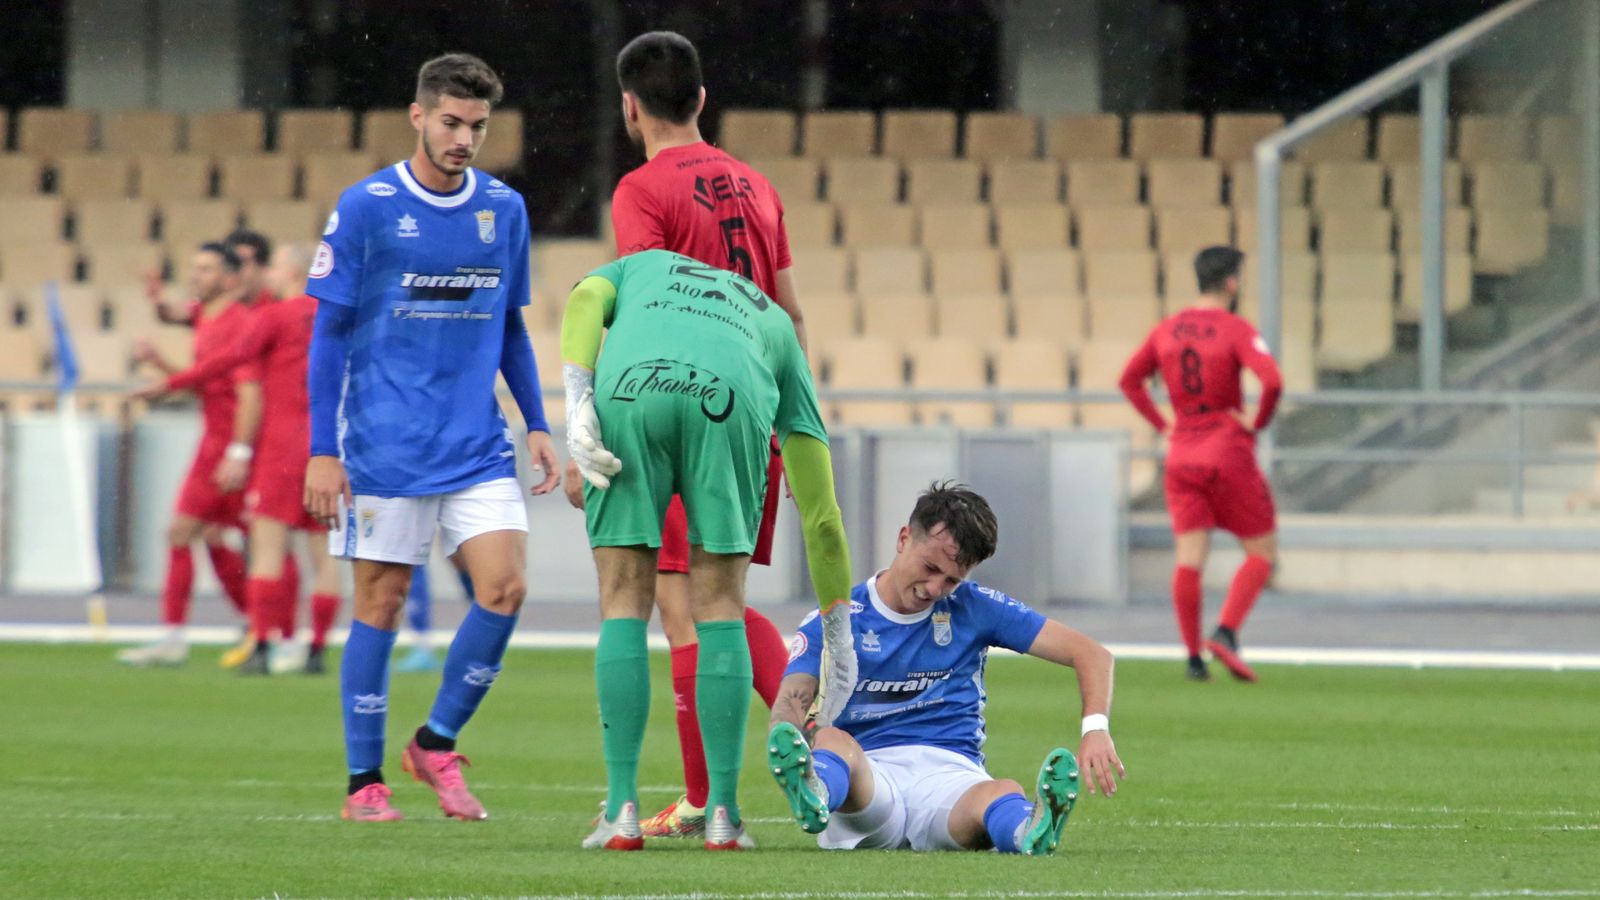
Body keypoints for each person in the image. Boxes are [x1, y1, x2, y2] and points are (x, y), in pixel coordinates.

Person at [561, 29, 810, 840]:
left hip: (666, 396)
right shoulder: (759, 187)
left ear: (629, 109)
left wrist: (588, 420)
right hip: (750, 405)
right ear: (702, 99)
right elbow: (789, 314)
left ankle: (652, 802)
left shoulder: (641, 189)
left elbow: (647, 306)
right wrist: (789, 426)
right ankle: (724, 803)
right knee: (718, 600)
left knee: (652, 601)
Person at [301, 52, 560, 823]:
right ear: (418, 116)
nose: (463, 139)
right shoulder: (368, 207)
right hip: (385, 447)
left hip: (477, 444)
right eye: (450, 122)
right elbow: (328, 335)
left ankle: (435, 743)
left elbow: (509, 327)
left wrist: (537, 423)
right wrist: (322, 449)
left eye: (477, 126)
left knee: (505, 588)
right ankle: (363, 783)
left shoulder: (503, 209)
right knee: (380, 604)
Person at [561, 249, 856, 851]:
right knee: (720, 605)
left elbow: (585, 298)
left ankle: (620, 811)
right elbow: (822, 517)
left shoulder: (638, 267)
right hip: (731, 401)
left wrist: (576, 401)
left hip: (630, 391)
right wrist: (840, 632)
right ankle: (722, 814)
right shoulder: (774, 321)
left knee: (623, 598)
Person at [766, 482, 1124, 855]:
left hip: (949, 775)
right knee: (831, 741)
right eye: (930, 567)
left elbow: (1091, 654)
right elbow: (791, 699)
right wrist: (788, 738)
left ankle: (1027, 831)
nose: (936, 588)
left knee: (1002, 791)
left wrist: (1095, 730)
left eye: (952, 580)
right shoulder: (838, 618)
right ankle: (817, 788)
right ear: (903, 539)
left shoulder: (975, 607)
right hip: (869, 775)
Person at [144, 242, 345, 675]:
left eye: (274, 266)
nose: (267, 273)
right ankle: (316, 649)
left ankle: (263, 643)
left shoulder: (274, 316)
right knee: (324, 553)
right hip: (328, 443)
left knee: (268, 548)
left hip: (280, 444)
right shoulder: (340, 316)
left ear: (293, 272)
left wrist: (171, 382)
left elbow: (229, 359)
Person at [1117, 246, 1283, 683]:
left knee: (1189, 557)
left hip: (1182, 453)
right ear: (1231, 282)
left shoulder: (1167, 329)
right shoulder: (1235, 328)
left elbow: (1130, 381)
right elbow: (1272, 381)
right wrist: (1257, 423)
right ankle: (1225, 632)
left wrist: (1164, 424)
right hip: (1226, 449)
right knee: (1262, 553)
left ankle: (1193, 658)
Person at [116, 242, 255, 667]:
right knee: (212, 536)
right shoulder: (205, 315)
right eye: (194, 267)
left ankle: (178, 636)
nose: (196, 275)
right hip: (216, 441)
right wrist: (160, 356)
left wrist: (239, 450)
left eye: (206, 269)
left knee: (182, 533)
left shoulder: (239, 323)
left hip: (227, 446)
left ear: (229, 278)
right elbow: (203, 379)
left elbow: (248, 393)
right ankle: (256, 625)